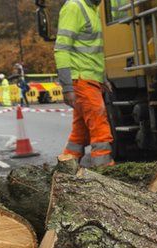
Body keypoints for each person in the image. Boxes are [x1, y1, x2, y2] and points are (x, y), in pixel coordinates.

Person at [54, 0, 113, 166]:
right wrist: (67, 87)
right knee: (99, 125)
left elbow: (94, 52)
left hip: (89, 80)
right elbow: (61, 49)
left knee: (79, 132)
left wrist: (103, 78)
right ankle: (104, 168)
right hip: (80, 80)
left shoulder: (93, 9)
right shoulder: (74, 7)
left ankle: (67, 167)